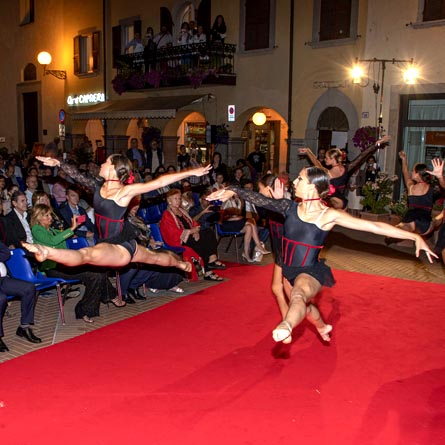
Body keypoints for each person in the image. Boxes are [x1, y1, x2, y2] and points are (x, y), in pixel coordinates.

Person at [208, 166, 437, 345]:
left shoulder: (329, 215)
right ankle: (322, 326)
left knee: (298, 296)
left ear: (311, 187)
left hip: (309, 270)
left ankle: (286, 325)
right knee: (305, 308)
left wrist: (414, 237)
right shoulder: (289, 207)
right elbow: (258, 199)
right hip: (288, 268)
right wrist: (234, 190)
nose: (295, 182)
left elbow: (374, 227)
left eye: (300, 179)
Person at [23, 155, 211, 275]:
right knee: (156, 258)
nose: (102, 164)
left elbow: (160, 181)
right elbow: (77, 176)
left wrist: (192, 171)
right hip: (111, 243)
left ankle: (47, 252)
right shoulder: (98, 187)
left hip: (119, 247)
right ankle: (181, 265)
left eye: (105, 162)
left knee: (86, 254)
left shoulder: (124, 192)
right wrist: (58, 162)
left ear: (113, 168)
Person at [30, 204, 117, 321]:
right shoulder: (36, 229)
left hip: (64, 265)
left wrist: (73, 227)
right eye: (46, 215)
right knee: (94, 275)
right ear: (38, 217)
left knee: (98, 271)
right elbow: (52, 241)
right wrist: (71, 228)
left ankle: (101, 300)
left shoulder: (52, 230)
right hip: (52, 268)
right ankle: (90, 307)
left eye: (50, 214)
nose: (50, 217)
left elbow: (63, 237)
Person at [299, 136, 390, 209]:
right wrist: (377, 142)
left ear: (333, 159)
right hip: (342, 202)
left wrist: (308, 152)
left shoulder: (328, 172)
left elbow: (317, 163)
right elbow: (362, 155)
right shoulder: (346, 168)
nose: (325, 160)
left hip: (333, 203)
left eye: (327, 158)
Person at [160, 189, 225, 281]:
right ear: (169, 201)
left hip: (189, 234)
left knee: (208, 232)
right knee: (200, 242)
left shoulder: (182, 211)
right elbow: (173, 233)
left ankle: (212, 258)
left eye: (179, 198)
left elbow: (193, 222)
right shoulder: (167, 215)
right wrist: (191, 232)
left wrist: (196, 231)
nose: (178, 200)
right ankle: (208, 271)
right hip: (179, 239)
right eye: (175, 199)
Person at [0, 241, 41, 352]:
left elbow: (6, 253)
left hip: (3, 279)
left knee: (28, 288)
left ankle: (24, 326)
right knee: (1, 299)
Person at [396, 153, 445, 236]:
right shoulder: (432, 188)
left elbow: (405, 172)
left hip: (410, 220)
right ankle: (440, 216)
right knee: (435, 221)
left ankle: (396, 229)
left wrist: (404, 159)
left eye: (413, 171)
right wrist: (440, 177)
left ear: (417, 174)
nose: (411, 172)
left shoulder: (411, 187)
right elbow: (443, 186)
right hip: (426, 223)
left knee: (402, 227)